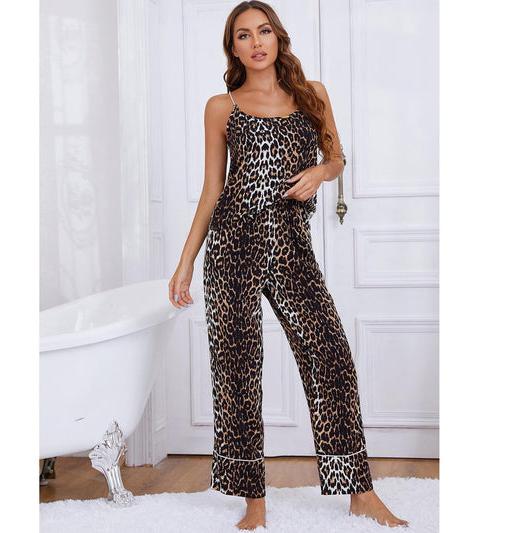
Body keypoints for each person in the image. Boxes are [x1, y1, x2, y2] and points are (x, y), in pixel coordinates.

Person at [169, 1, 409, 530]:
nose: (256, 42)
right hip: (231, 248)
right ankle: (253, 502)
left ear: (278, 38)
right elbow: (212, 190)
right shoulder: (221, 107)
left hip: (290, 247)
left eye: (264, 31)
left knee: (330, 355)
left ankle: (361, 492)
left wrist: (320, 173)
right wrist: (185, 263)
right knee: (236, 372)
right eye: (243, 35)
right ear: (233, 49)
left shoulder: (312, 94)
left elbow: (337, 159)